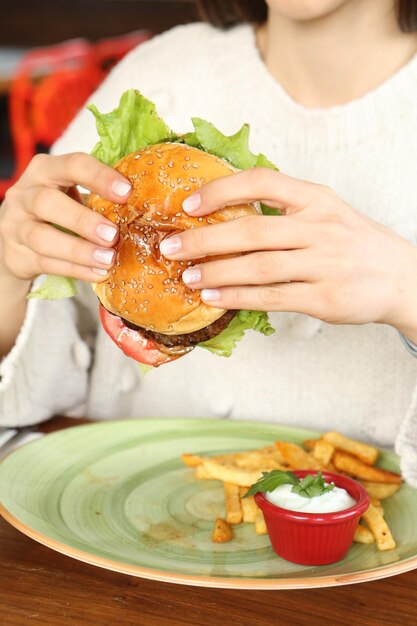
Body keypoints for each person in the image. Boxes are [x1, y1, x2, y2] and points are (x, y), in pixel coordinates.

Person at [1, 0, 417, 484]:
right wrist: (9, 270)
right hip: (113, 525)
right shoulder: (157, 75)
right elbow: (30, 391)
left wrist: (408, 291)